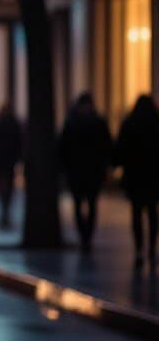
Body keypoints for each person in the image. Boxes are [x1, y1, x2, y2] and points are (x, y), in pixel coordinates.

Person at [59, 93, 112, 249]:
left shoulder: (72, 122)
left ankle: (85, 234)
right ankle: (85, 234)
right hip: (88, 171)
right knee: (87, 203)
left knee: (85, 203)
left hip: (81, 171)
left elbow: (63, 148)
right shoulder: (96, 122)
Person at [114, 94, 159, 268]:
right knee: (153, 212)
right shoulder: (156, 123)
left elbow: (120, 149)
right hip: (154, 176)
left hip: (135, 176)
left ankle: (139, 248)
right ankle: (152, 248)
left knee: (137, 212)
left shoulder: (130, 123)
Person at [0, 103, 23, 229]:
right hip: (8, 161)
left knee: (1, 188)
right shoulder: (14, 124)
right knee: (8, 188)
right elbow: (19, 143)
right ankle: (5, 211)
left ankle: (4, 211)